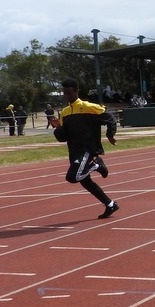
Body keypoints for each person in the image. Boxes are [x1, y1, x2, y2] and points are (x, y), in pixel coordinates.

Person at [52, 78, 120, 219]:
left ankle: (96, 164)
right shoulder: (64, 113)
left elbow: (110, 118)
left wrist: (110, 134)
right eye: (64, 93)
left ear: (77, 91)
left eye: (69, 93)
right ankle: (110, 204)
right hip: (74, 151)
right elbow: (62, 137)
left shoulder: (89, 107)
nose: (67, 96)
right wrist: (58, 127)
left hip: (88, 149)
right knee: (85, 181)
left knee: (72, 177)